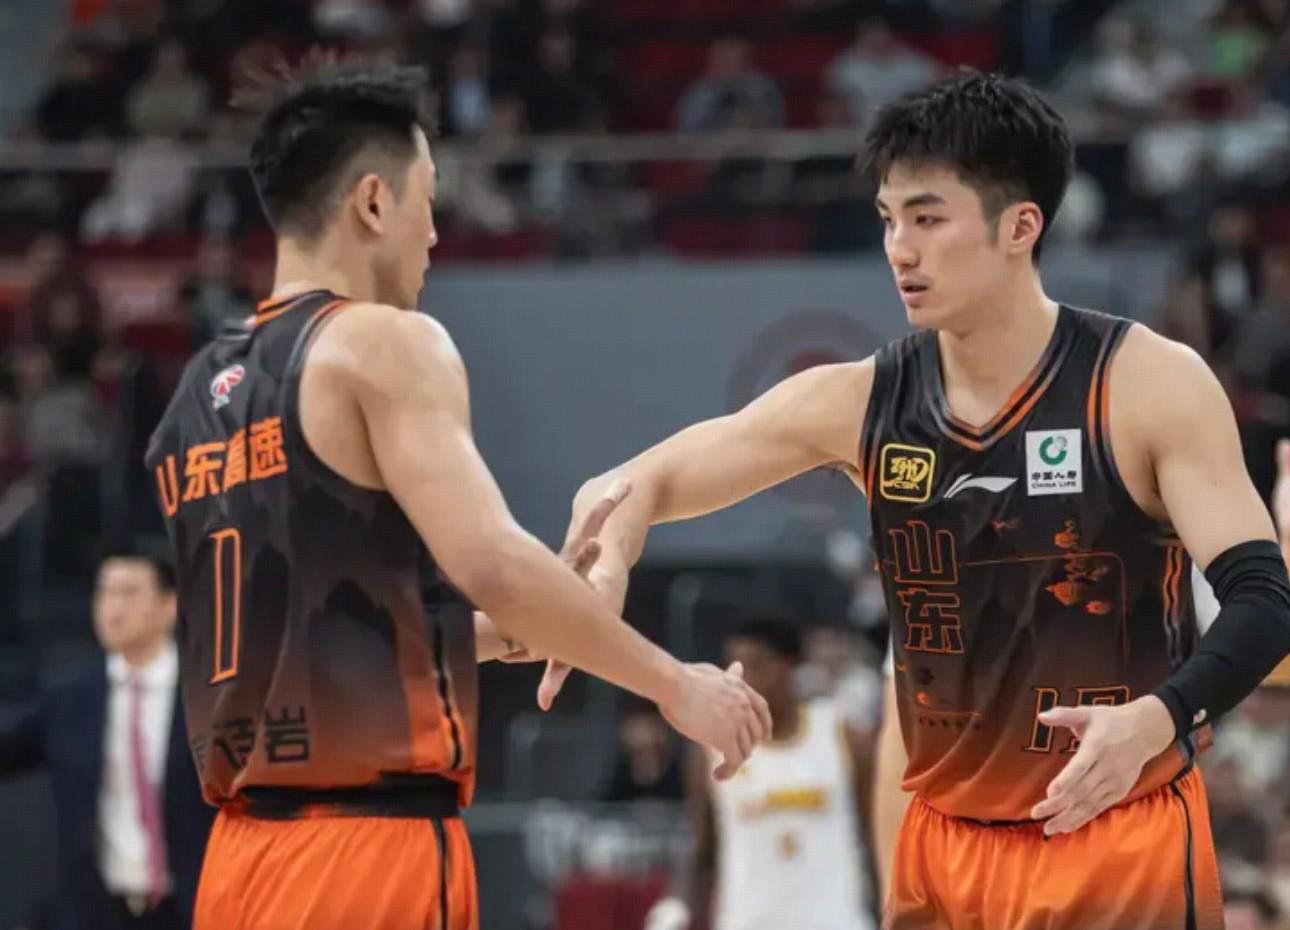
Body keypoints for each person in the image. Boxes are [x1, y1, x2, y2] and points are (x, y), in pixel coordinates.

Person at [547, 70, 1290, 929]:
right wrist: (611, 553)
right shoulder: (861, 402)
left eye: (928, 218)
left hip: (1114, 839)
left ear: (1020, 227)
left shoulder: (1144, 385)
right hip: (943, 855)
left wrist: (1158, 718)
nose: (899, 248)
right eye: (888, 218)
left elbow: (1264, 605)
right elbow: (634, 482)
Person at [143, 58, 769, 930]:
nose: (435, 234)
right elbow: (490, 562)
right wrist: (673, 684)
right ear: (373, 202)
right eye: (428, 201)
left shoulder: (195, 393)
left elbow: (326, 635)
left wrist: (526, 626)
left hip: (237, 864)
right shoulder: (383, 342)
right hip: (366, 856)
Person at [869, 426, 1290, 897]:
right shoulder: (953, 578)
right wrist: (897, 899)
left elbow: (1283, 664)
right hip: (987, 854)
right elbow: (902, 749)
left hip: (1129, 842)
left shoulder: (1166, 555)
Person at [0, 548, 214, 930]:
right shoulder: (69, 697)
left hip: (192, 907)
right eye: (104, 592)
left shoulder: (207, 698)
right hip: (95, 911)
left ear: (169, 606)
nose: (112, 608)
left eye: (129, 592)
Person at [646, 620, 877, 930]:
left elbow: (876, 837)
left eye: (757, 665)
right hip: (748, 919)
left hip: (836, 920)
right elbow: (702, 847)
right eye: (734, 668)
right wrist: (675, 905)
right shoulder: (711, 749)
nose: (744, 681)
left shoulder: (844, 736)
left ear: (790, 666)